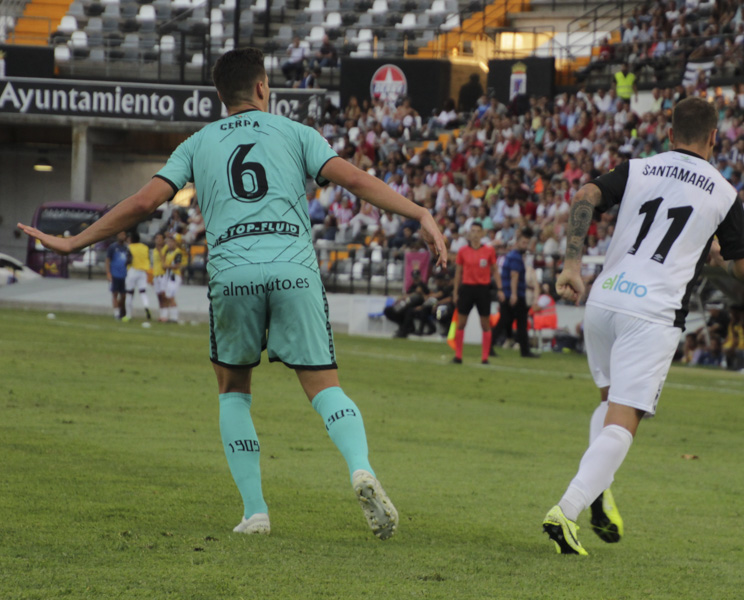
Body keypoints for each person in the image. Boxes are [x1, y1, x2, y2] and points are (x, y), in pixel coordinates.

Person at [18, 48, 447, 538]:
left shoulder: (197, 143)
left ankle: (256, 511)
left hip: (233, 270)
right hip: (293, 267)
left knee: (233, 391)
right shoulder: (295, 132)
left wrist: (74, 240)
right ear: (263, 88)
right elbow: (353, 180)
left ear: (220, 96)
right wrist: (419, 214)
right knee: (325, 386)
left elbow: (142, 202)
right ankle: (359, 466)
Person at [542, 97, 744, 555]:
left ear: (669, 133)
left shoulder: (640, 168)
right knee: (624, 423)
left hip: (604, 299)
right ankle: (568, 509)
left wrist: (571, 265)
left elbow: (584, 196)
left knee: (607, 404)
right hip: (654, 312)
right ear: (714, 137)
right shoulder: (723, 192)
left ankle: (598, 492)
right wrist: (719, 252)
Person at [452, 222, 501, 364]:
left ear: (482, 234)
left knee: (485, 324)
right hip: (467, 288)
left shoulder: (489, 251)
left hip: (483, 289)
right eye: (472, 231)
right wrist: (455, 292)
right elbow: (458, 273)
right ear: (469, 233)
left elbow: (495, 270)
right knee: (461, 323)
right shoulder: (462, 251)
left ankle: (485, 358)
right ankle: (458, 356)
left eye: (477, 231)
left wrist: (500, 288)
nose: (474, 233)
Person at [497, 228, 538, 358]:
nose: (525, 246)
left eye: (527, 243)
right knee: (516, 323)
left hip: (511, 293)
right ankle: (525, 351)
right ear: (518, 243)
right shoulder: (515, 256)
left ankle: (524, 350)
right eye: (524, 243)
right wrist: (514, 294)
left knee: (508, 322)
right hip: (514, 294)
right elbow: (514, 275)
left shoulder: (513, 255)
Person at [125, 230, 153, 321]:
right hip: (143, 271)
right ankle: (146, 306)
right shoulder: (145, 247)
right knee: (143, 292)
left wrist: (125, 264)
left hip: (133, 270)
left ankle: (128, 315)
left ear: (131, 239)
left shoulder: (130, 247)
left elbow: (129, 259)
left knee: (129, 293)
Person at [106, 231, 131, 320]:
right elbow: (108, 260)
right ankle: (117, 314)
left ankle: (121, 310)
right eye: (120, 234)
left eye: (123, 235)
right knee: (115, 294)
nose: (122, 236)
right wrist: (108, 273)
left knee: (124, 295)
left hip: (124, 275)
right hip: (115, 274)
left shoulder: (127, 247)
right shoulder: (113, 247)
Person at [162, 236, 186, 323]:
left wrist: (167, 266)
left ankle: (174, 318)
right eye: (168, 242)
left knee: (171, 297)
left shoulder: (178, 252)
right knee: (168, 296)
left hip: (174, 277)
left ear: (175, 243)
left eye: (171, 242)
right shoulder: (168, 252)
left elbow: (177, 265)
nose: (169, 244)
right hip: (168, 276)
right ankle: (169, 316)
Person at [151, 232, 170, 322]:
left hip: (163, 274)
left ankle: (165, 316)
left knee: (163, 295)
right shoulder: (154, 250)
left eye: (160, 238)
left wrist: (160, 251)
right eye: (157, 238)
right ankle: (161, 314)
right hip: (156, 275)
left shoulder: (165, 249)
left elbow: (164, 262)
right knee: (158, 296)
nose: (158, 240)